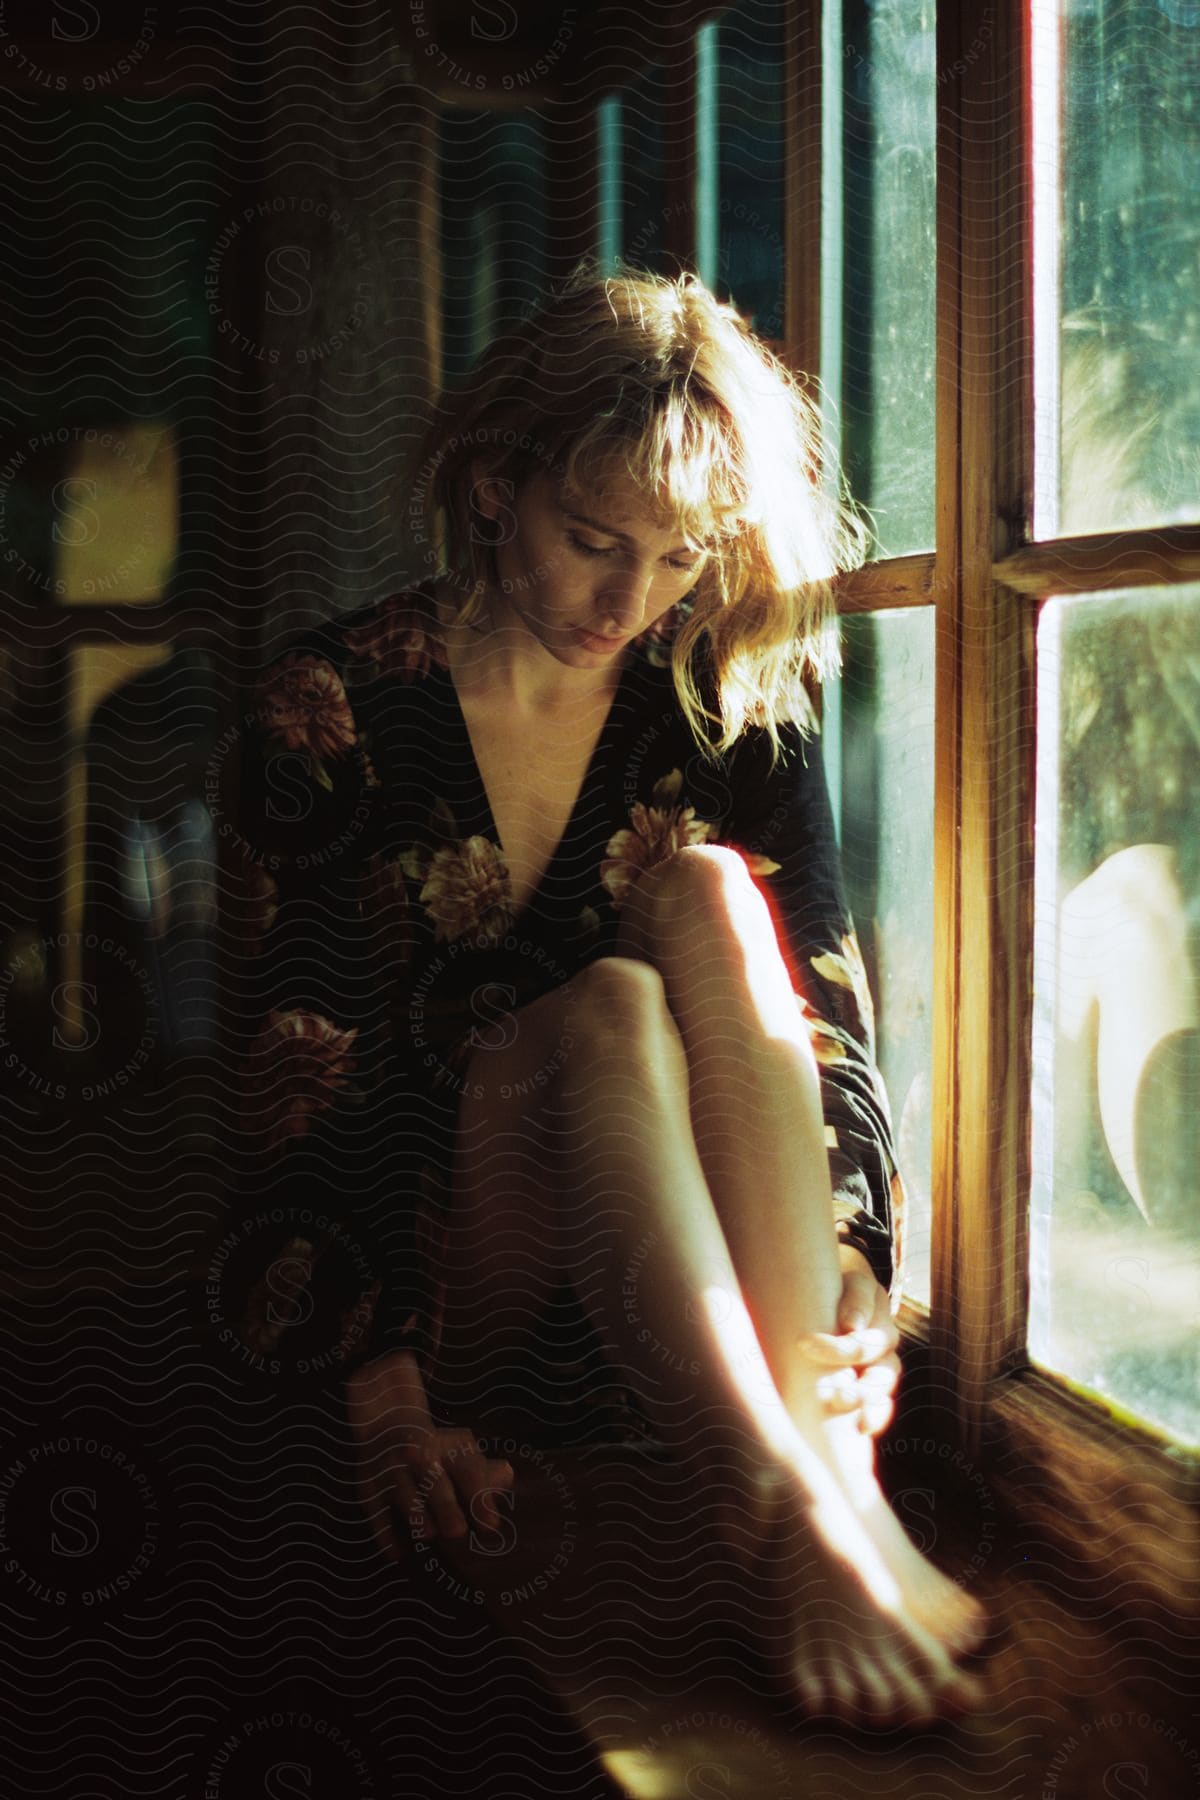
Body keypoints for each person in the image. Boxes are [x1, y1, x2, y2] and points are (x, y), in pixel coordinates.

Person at [225, 261, 990, 1726]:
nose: (628, 602)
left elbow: (822, 999)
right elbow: (295, 1069)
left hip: (700, 1306)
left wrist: (854, 1269)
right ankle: (782, 1517)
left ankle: (825, 1474)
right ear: (498, 483)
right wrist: (381, 1394)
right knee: (601, 1015)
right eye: (593, 541)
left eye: (680, 558)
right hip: (447, 1299)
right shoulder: (323, 710)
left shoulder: (723, 694)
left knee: (707, 905)